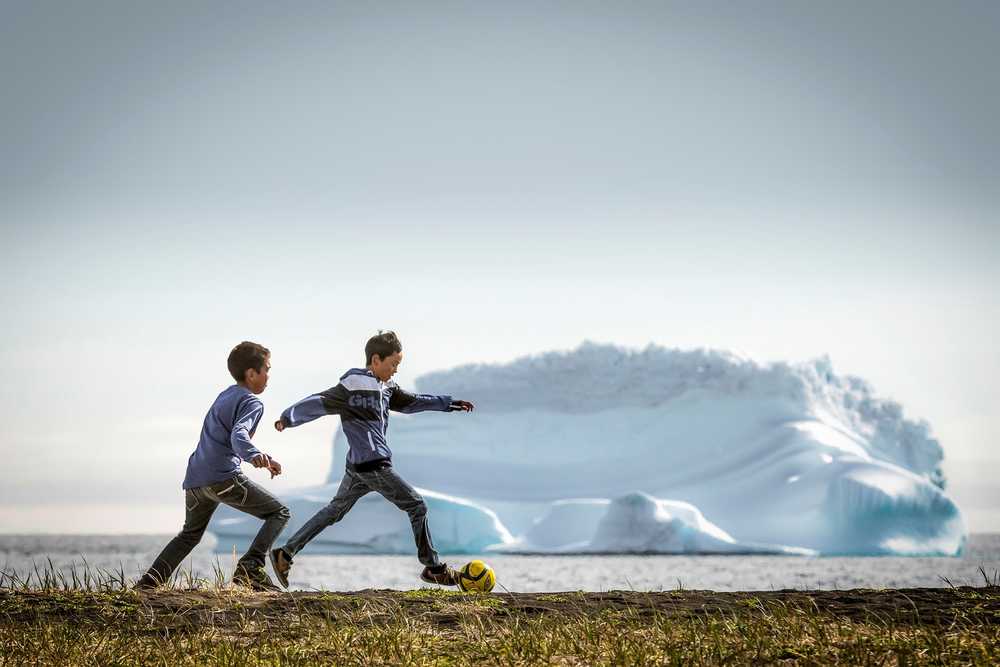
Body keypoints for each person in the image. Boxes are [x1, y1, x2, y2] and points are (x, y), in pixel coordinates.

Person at [268, 330, 474, 589]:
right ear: (376, 360)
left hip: (358, 466)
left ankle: (284, 553)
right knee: (416, 506)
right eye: (393, 364)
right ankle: (433, 567)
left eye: (398, 365)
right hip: (373, 464)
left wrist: (447, 403)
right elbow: (319, 402)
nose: (396, 370)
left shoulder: (387, 388)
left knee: (334, 511)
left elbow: (412, 403)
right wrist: (288, 418)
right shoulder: (353, 384)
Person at [134, 341, 289, 591]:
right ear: (251, 374)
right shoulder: (252, 402)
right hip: (222, 477)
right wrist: (254, 455)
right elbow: (238, 436)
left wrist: (262, 457)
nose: (268, 376)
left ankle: (147, 585)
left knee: (189, 535)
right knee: (279, 513)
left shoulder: (225, 395)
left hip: (196, 479)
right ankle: (250, 568)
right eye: (266, 369)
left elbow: (222, 435)